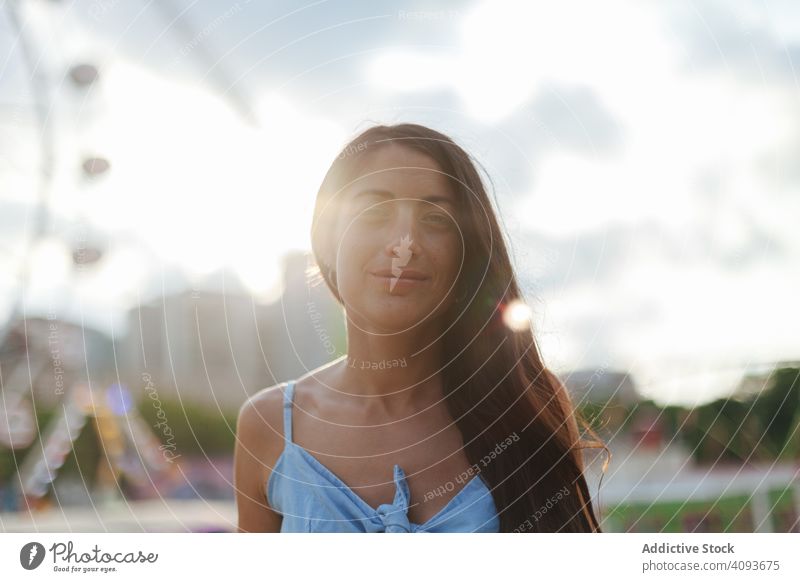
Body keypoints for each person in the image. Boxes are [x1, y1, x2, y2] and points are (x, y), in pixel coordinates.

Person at [234, 122, 606, 532]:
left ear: (467, 253)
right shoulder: (268, 426)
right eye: (375, 211)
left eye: (436, 218)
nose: (404, 242)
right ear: (326, 239)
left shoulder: (525, 399)